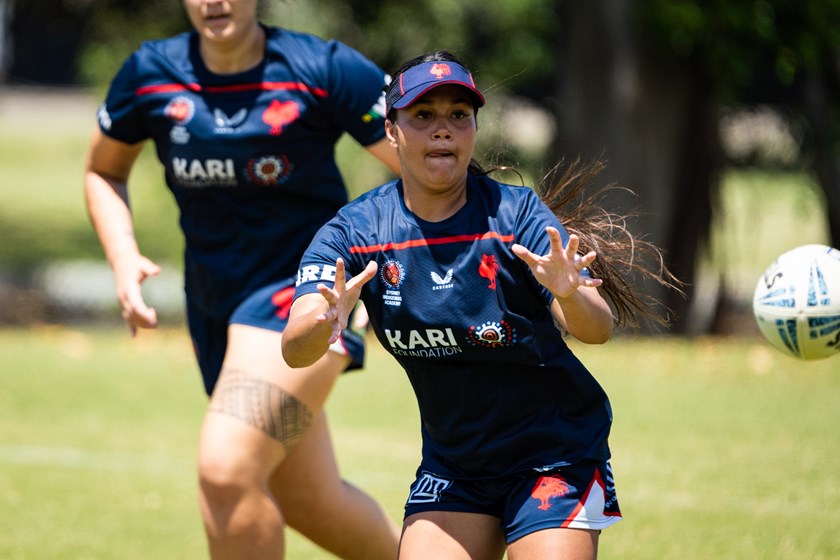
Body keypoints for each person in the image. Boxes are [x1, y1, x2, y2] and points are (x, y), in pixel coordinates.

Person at [282, 51, 680, 560]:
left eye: (458, 115)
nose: (442, 130)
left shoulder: (516, 215)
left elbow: (596, 327)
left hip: (554, 456)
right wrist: (324, 320)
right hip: (455, 467)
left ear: (473, 128)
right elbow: (295, 350)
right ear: (392, 131)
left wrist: (567, 291)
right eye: (422, 116)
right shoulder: (356, 233)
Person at [83, 1, 402, 558]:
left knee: (228, 469)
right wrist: (122, 254)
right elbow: (103, 169)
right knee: (310, 501)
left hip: (304, 296)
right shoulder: (150, 73)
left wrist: (396, 264)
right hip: (216, 307)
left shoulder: (320, 68)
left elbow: (427, 166)